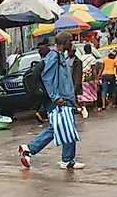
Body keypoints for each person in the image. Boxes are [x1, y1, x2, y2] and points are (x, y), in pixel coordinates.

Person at [18, 31, 84, 170]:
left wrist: (73, 100)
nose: (72, 44)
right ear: (64, 42)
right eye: (70, 41)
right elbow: (48, 78)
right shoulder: (54, 57)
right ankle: (30, 149)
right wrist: (56, 97)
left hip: (64, 98)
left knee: (66, 127)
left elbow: (64, 80)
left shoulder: (59, 57)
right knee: (61, 127)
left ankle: (66, 159)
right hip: (57, 99)